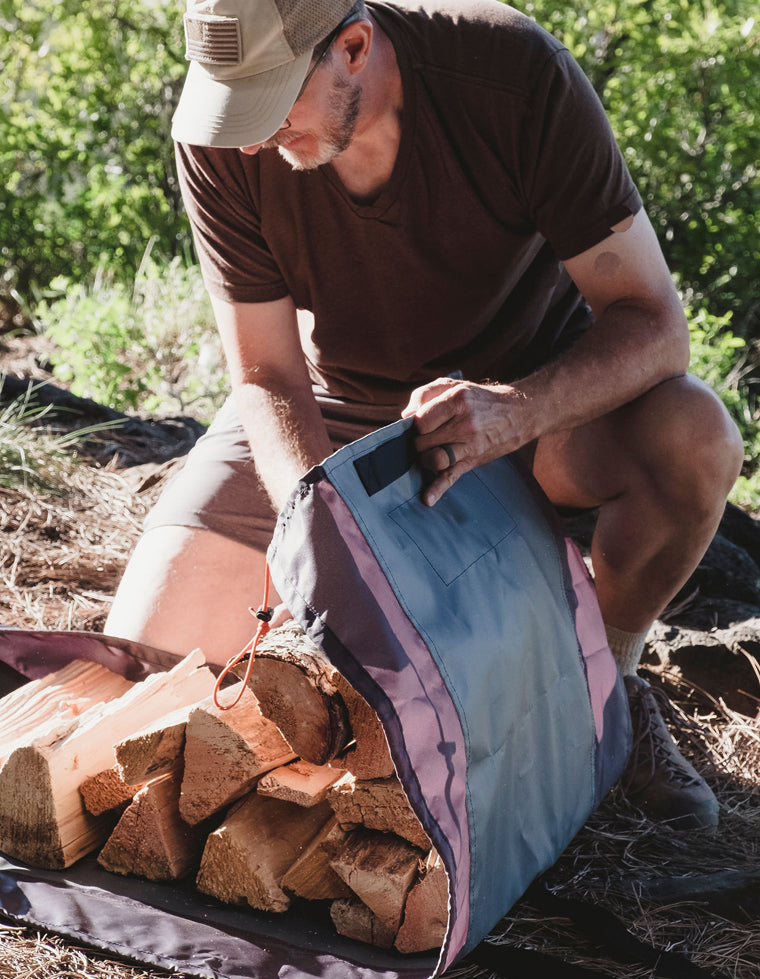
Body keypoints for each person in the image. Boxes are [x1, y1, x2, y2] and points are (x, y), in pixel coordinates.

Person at [105, 0, 744, 828]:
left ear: (354, 46)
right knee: (140, 680)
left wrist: (516, 412)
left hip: (530, 412)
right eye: (234, 105)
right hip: (333, 418)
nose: (254, 138)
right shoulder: (225, 136)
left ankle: (607, 689)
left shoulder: (513, 77)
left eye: (272, 103)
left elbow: (655, 326)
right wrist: (322, 522)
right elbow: (264, 372)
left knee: (695, 437)